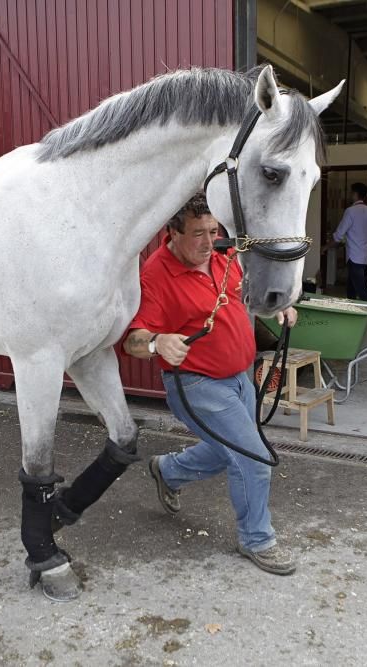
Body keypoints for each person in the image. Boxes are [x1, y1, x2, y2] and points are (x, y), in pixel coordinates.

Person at [124, 193, 298, 576]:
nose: (208, 241)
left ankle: (167, 471)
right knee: (252, 458)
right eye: (198, 234)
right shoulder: (155, 276)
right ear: (172, 232)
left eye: (213, 231)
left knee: (228, 451)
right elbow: (133, 341)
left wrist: (276, 305)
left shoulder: (222, 257)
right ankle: (257, 538)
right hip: (197, 385)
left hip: (240, 378)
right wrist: (156, 342)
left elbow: (246, 297)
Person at [321, 182, 367, 301]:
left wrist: (325, 247)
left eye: (351, 193)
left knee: (361, 291)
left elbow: (339, 235)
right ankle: (351, 312)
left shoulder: (350, 211)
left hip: (354, 257)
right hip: (365, 257)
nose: (351, 195)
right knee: (351, 289)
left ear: (355, 194)